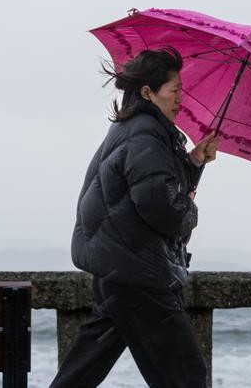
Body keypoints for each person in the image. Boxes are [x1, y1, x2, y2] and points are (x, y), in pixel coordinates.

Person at [50, 47, 218, 388]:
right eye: (174, 90)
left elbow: (152, 189)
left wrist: (194, 162)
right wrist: (190, 212)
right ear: (147, 92)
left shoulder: (136, 129)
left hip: (120, 265)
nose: (181, 99)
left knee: (82, 372)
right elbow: (163, 210)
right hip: (138, 272)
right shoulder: (146, 135)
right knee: (185, 375)